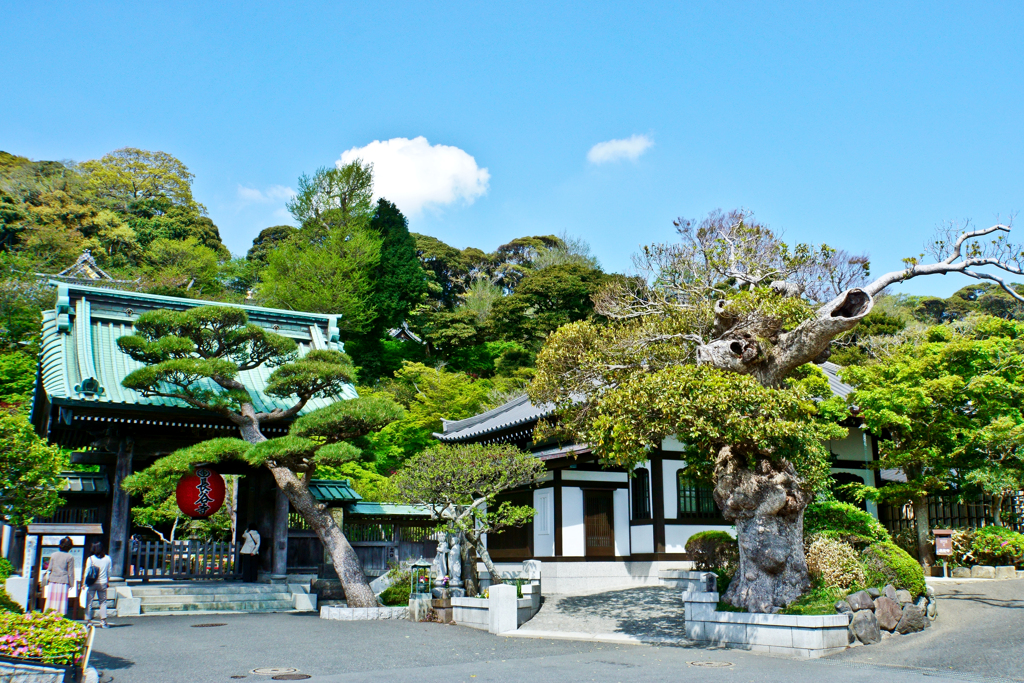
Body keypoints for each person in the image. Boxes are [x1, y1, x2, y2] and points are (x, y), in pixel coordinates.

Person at [84, 542, 113, 628]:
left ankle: (88, 621)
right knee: (103, 602)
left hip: (92, 583)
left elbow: (87, 572)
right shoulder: (108, 558)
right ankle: (103, 621)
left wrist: (84, 583)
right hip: (103, 582)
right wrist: (108, 581)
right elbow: (109, 571)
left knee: (89, 602)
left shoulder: (91, 559)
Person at [45, 537, 75, 615]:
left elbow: (49, 568)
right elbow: (70, 572)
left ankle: (50, 615)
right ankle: (60, 616)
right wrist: (72, 583)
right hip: (63, 581)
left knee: (51, 599)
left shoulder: (53, 555)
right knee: (61, 601)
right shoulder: (70, 557)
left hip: (53, 580)